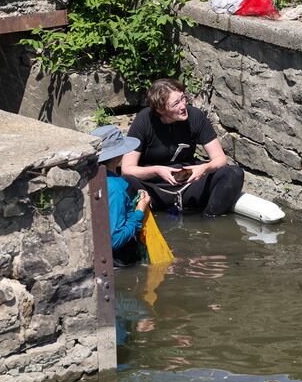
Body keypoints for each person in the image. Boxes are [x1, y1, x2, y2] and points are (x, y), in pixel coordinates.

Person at [121, 78, 244, 216]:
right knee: (125, 182)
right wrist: (156, 170)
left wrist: (204, 168)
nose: (183, 106)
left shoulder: (196, 116)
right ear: (160, 109)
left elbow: (220, 159)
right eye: (176, 103)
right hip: (154, 189)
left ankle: (209, 220)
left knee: (234, 173)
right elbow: (127, 169)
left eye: (183, 98)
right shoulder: (143, 121)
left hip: (188, 183)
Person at [90, 125, 151, 266]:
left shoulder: (89, 177)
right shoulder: (114, 188)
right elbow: (114, 240)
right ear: (118, 155)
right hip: (118, 261)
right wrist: (139, 212)